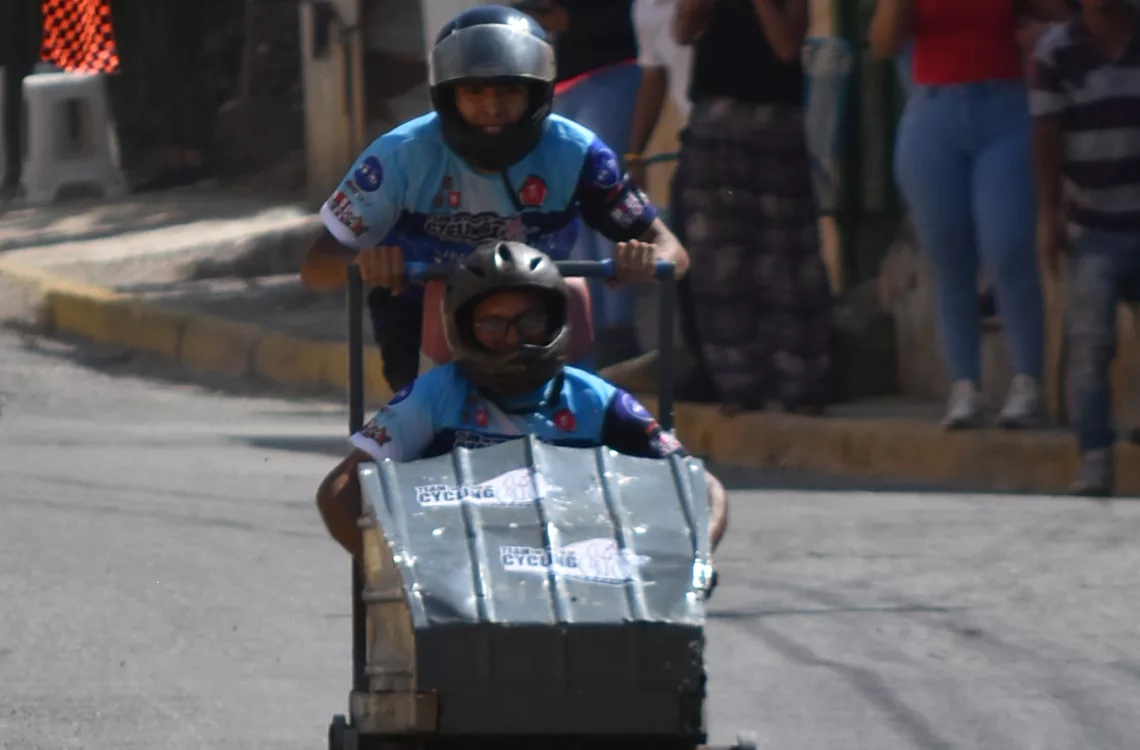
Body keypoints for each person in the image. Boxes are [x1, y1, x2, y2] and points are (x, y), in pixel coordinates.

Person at [300, 4, 689, 393]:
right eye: (473, 91)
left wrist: (647, 260)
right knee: (421, 424)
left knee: (584, 416)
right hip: (423, 314)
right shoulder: (397, 156)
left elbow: (673, 251)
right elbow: (315, 268)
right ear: (447, 96)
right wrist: (367, 264)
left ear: (537, 93)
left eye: (509, 90)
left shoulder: (578, 153)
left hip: (540, 319)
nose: (492, 107)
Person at [315, 241, 728, 593]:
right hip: (458, 592)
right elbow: (338, 493)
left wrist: (698, 556)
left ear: (555, 321)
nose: (514, 338)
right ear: (463, 329)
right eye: (493, 324)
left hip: (583, 593)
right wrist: (397, 574)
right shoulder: (433, 395)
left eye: (530, 320)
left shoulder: (595, 400)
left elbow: (699, 486)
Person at [870, 0, 1073, 430]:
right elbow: (883, 42)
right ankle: (964, 387)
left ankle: (1027, 384)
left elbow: (1064, 14)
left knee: (1009, 249)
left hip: (1003, 109)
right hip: (932, 114)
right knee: (949, 259)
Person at [674, 0, 834, 416]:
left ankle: (802, 383)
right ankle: (737, 382)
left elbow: (786, 46)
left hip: (774, 123)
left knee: (788, 257)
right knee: (719, 260)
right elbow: (682, 32)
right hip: (715, 123)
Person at [1029, 0, 1140, 496]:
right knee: (1091, 344)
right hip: (1092, 224)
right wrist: (1048, 217)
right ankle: (1094, 456)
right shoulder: (1057, 53)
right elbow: (1046, 140)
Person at [515, 0, 647, 366]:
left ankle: (618, 327)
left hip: (612, 71)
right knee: (571, 208)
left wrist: (558, 17)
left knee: (607, 200)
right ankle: (586, 324)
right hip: (564, 83)